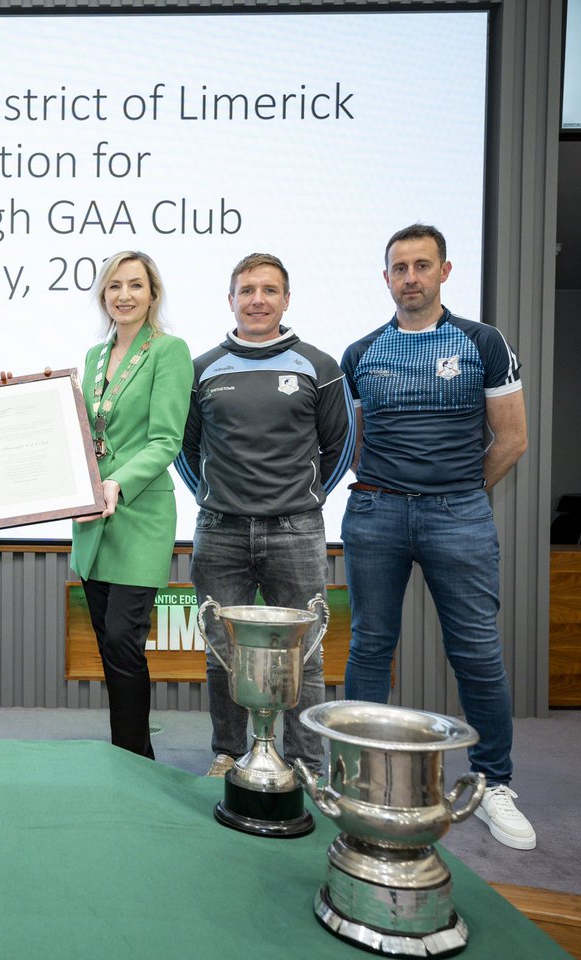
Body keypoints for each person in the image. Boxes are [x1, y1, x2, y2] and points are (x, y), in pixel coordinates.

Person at [341, 223, 533, 850]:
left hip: (460, 516)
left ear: (445, 272)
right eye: (400, 267)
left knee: (476, 650)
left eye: (423, 265)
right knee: (371, 645)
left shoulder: (482, 342)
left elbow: (512, 439)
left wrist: (460, 491)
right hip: (377, 515)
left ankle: (494, 784)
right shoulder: (361, 352)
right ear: (387, 278)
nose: (411, 277)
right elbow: (356, 442)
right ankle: (360, 777)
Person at [176, 253, 353, 777]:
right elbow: (186, 448)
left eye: (269, 290)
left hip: (296, 530)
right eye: (247, 290)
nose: (258, 299)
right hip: (220, 530)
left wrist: (304, 498)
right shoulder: (203, 368)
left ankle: (303, 761)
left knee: (307, 652)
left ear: (286, 299)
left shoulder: (318, 367)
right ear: (230, 299)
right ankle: (228, 752)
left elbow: (339, 447)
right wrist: (213, 495)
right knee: (221, 651)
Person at [71, 251, 192, 757]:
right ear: (103, 294)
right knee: (107, 644)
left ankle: (135, 757)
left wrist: (118, 481)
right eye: (114, 285)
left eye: (135, 286)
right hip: (93, 516)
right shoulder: (95, 357)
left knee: (123, 638)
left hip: (139, 512)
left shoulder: (170, 351)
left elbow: (166, 440)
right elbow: (81, 431)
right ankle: (128, 750)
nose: (124, 295)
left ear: (153, 294)